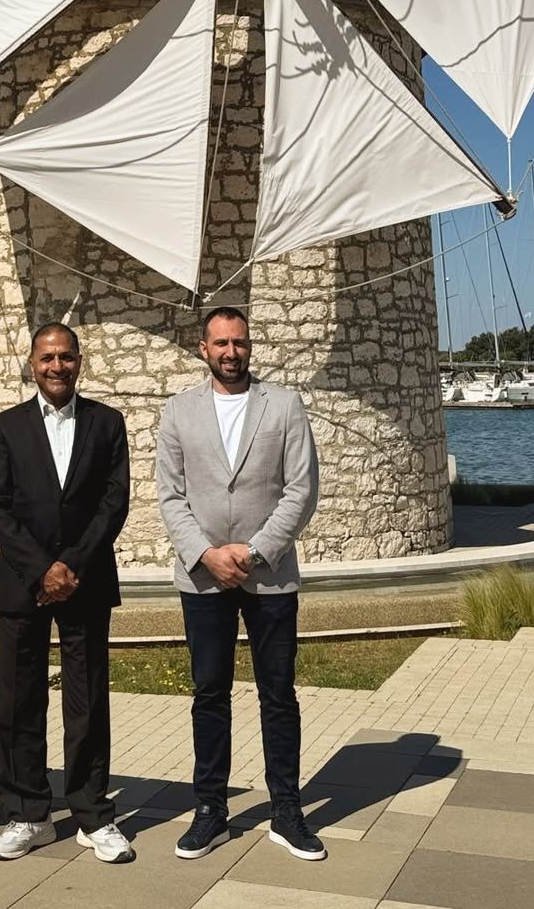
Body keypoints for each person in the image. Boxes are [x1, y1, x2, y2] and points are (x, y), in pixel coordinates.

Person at [156, 305, 325, 862]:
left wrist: (254, 552)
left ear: (251, 347)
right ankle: (210, 809)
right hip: (202, 577)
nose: (232, 353)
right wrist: (207, 554)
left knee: (278, 696)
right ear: (202, 348)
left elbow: (301, 490)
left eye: (241, 343)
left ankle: (286, 811)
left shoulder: (285, 405)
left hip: (269, 575)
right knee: (209, 694)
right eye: (221, 343)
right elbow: (171, 496)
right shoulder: (178, 412)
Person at [0, 323, 134, 865]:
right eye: (47, 357)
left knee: (87, 700)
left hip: (86, 580)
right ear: (31, 362)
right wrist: (42, 569)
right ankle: (27, 813)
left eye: (66, 357)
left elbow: (114, 502)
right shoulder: (6, 427)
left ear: (79, 362)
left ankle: (92, 812)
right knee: (19, 700)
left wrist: (71, 565)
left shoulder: (106, 423)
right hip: (24, 583)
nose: (56, 366)